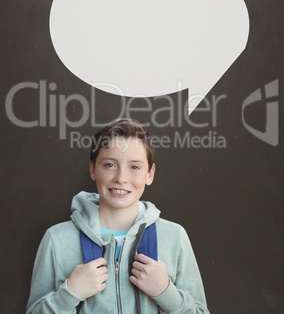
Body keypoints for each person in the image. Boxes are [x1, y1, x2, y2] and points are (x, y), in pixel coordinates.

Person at [26, 118, 210, 314]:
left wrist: (166, 293)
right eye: (110, 165)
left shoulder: (174, 237)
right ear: (92, 169)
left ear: (150, 174)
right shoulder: (57, 240)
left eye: (134, 167)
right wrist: (70, 294)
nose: (121, 178)